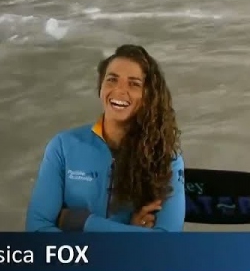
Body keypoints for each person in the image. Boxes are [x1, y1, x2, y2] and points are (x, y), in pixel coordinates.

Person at [25, 44, 186, 232]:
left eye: (134, 83)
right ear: (100, 87)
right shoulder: (63, 147)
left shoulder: (166, 159)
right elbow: (37, 229)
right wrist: (130, 233)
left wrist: (81, 223)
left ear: (148, 95)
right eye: (112, 80)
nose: (119, 90)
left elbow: (166, 243)